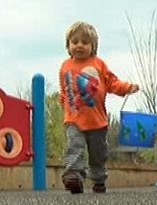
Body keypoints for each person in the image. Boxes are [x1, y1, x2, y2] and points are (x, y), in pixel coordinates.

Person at [58, 21, 139, 194]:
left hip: (96, 120)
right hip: (73, 118)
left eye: (85, 42)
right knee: (74, 145)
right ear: (68, 45)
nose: (79, 45)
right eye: (75, 42)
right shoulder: (65, 66)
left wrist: (126, 88)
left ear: (93, 46)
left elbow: (112, 82)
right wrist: (62, 99)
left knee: (98, 153)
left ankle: (98, 178)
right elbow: (64, 87)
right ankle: (74, 176)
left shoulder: (98, 64)